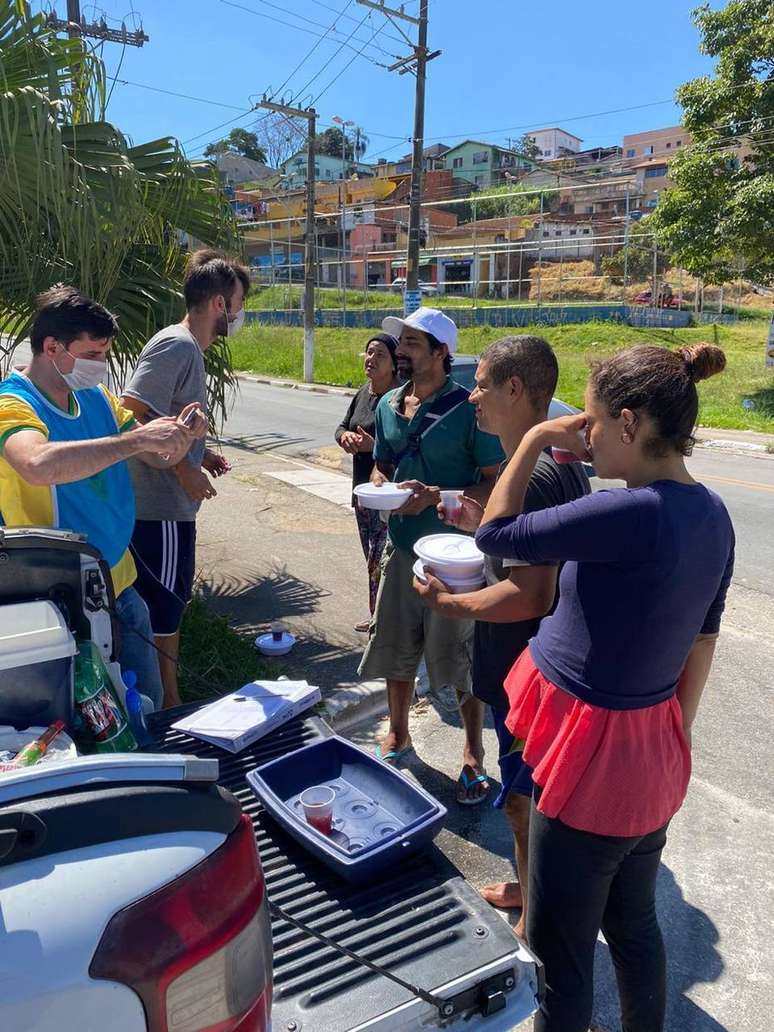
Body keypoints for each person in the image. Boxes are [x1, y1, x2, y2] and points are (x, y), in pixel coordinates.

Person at [475, 342, 735, 1032]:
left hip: (591, 767)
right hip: (650, 754)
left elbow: (495, 533)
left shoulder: (630, 513)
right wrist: (670, 736)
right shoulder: (711, 513)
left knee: (560, 959)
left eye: (588, 424)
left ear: (628, 423)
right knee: (633, 923)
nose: (581, 440)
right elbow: (701, 641)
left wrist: (531, 437)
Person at [413, 335, 589, 939]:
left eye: (484, 383)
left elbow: (530, 594)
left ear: (517, 389)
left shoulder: (538, 474)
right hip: (530, 670)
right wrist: (470, 518)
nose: (475, 398)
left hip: (528, 673)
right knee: (529, 801)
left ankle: (535, 922)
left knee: (524, 804)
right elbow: (518, 547)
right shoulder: (545, 465)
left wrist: (448, 601)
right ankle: (527, 883)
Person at [0, 286, 204, 710]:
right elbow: (36, 464)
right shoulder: (13, 404)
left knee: (142, 707)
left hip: (121, 584)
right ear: (52, 348)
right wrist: (132, 442)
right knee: (89, 724)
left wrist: (182, 435)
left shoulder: (96, 398)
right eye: (92, 354)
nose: (100, 366)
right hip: (57, 601)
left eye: (104, 354)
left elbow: (159, 456)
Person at [358, 307, 505, 804]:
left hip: (456, 556)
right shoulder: (387, 405)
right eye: (401, 343)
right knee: (396, 645)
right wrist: (380, 487)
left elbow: (492, 485)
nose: (401, 352)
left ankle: (472, 757)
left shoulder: (470, 409)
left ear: (442, 353)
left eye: (414, 344)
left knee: (460, 659)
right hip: (401, 548)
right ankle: (398, 735)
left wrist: (434, 495)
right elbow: (381, 467)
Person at [121, 250, 249, 708]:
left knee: (163, 608)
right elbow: (131, 414)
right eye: (236, 304)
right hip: (160, 510)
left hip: (163, 507)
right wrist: (183, 468)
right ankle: (169, 708)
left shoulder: (185, 347)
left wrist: (201, 451)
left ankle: (158, 701)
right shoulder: (177, 344)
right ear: (218, 303)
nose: (237, 315)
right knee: (165, 613)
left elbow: (162, 416)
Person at [334, 332, 399, 631]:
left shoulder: (398, 399)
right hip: (361, 492)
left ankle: (383, 619)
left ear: (395, 364)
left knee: (381, 559)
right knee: (370, 559)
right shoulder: (363, 393)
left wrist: (372, 447)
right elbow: (341, 427)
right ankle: (377, 615)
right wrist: (344, 437)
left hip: (388, 495)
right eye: (369, 353)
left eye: (379, 355)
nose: (371, 359)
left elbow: (403, 448)